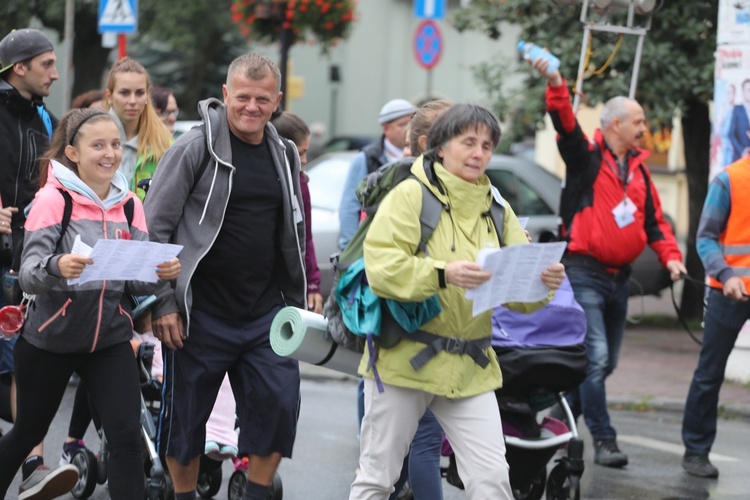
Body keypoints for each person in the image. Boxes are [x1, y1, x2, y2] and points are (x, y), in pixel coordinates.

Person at [349, 103, 567, 499]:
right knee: (377, 479)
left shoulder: (497, 208)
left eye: (486, 144)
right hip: (404, 361)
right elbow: (381, 268)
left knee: (492, 480)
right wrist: (441, 274)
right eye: (468, 142)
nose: (478, 153)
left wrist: (544, 282)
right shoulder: (410, 194)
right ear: (439, 147)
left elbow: (521, 299)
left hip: (471, 367)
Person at [144, 52, 305, 500]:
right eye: (243, 97)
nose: (251, 107)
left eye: (262, 99)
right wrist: (165, 301)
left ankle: (256, 493)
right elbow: (153, 227)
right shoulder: (193, 148)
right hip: (200, 312)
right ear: (226, 95)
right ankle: (183, 495)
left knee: (278, 405)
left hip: (264, 313)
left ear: (275, 102)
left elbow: (292, 228)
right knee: (187, 421)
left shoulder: (285, 154)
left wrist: (298, 295)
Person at [0, 107, 181, 499]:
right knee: (28, 431)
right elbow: (29, 273)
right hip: (51, 339)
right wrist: (57, 265)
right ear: (73, 153)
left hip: (109, 340)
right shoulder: (53, 200)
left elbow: (132, 278)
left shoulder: (130, 204)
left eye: (115, 144)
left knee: (126, 437)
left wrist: (159, 271)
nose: (109, 153)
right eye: (97, 145)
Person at [529, 54, 686, 467]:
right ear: (615, 124)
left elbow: (656, 224)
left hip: (620, 280)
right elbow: (564, 123)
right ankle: (604, 441)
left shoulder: (640, 170)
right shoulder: (586, 159)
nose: (644, 128)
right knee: (595, 358)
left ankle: (555, 427)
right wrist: (557, 81)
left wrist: (672, 259)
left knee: (605, 363)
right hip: (583, 272)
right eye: (638, 121)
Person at [0, 27, 68, 498]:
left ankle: (33, 466)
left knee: (23, 362)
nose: (56, 72)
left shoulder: (45, 117)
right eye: (47, 63)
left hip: (25, 261)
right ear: (19, 67)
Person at [681, 155, 750, 478]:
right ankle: (696, 451)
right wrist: (726, 275)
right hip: (730, 292)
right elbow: (705, 239)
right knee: (710, 373)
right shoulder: (730, 179)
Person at [338, 98, 416, 250]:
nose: (408, 129)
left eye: (411, 123)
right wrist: (349, 249)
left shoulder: (418, 156)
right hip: (371, 246)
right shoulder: (366, 158)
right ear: (386, 128)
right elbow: (350, 206)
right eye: (402, 124)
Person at [271, 111, 323, 313]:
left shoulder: (301, 183)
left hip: (288, 286)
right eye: (300, 152)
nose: (304, 159)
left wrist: (313, 283)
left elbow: (306, 237)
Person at [103, 57, 172, 200]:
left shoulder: (164, 143)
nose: (133, 101)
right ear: (109, 96)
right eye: (124, 93)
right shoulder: (91, 138)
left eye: (139, 93)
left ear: (147, 95)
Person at [728, 79, 750, 165]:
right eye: (748, 90)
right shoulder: (737, 110)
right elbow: (731, 134)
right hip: (740, 158)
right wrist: (742, 150)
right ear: (743, 92)